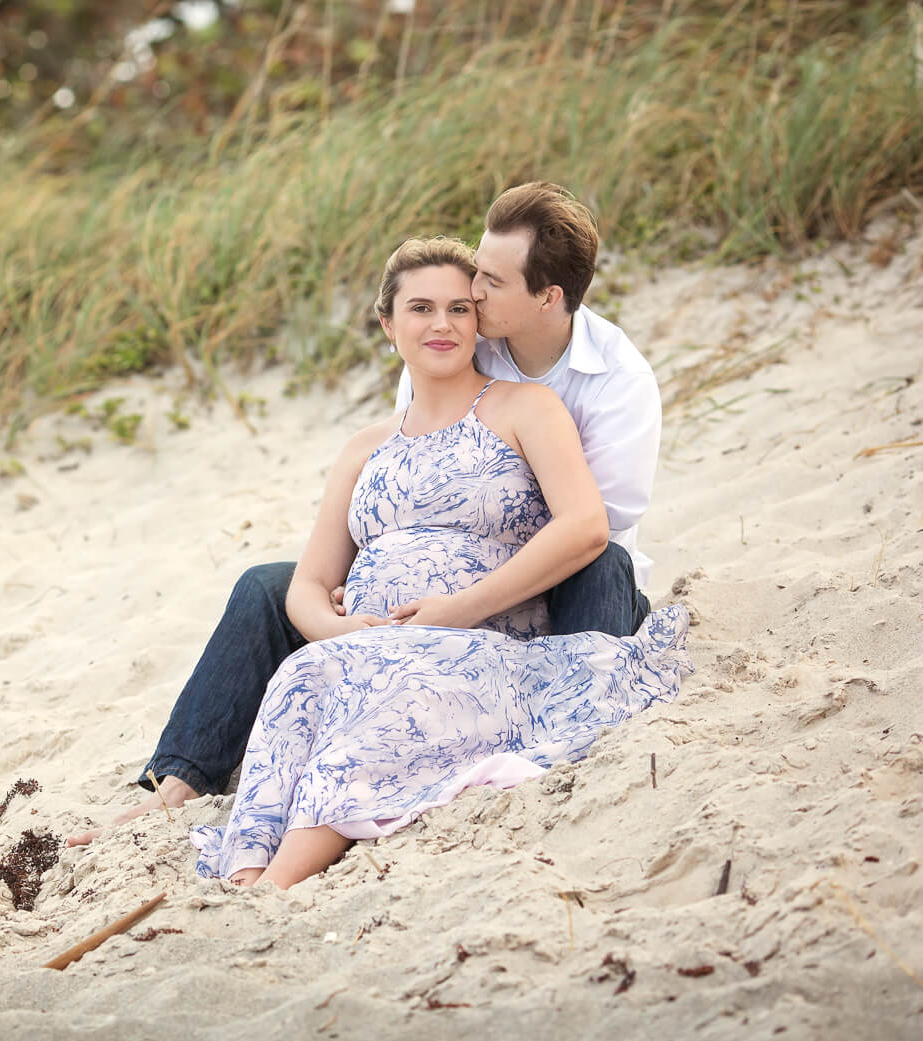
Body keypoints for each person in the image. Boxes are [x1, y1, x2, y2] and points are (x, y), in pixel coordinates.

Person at [67, 182, 663, 848]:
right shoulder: (462, 343)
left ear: (547, 297)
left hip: (564, 580)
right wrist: (372, 586)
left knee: (602, 560)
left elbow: (587, 526)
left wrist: (458, 601)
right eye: (464, 287)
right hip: (409, 614)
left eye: (488, 283)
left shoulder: (614, 381)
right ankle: (175, 782)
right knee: (265, 587)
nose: (469, 300)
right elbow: (412, 474)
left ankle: (561, 738)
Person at [183, 236, 689, 886]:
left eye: (458, 308)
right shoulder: (364, 447)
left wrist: (448, 614)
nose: (443, 323)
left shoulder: (528, 407)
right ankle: (244, 869)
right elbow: (310, 582)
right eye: (421, 308)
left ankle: (277, 884)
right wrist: (340, 629)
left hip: (477, 645)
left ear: (479, 321)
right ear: (389, 323)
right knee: (300, 681)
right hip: (362, 645)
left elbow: (589, 525)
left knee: (379, 719)